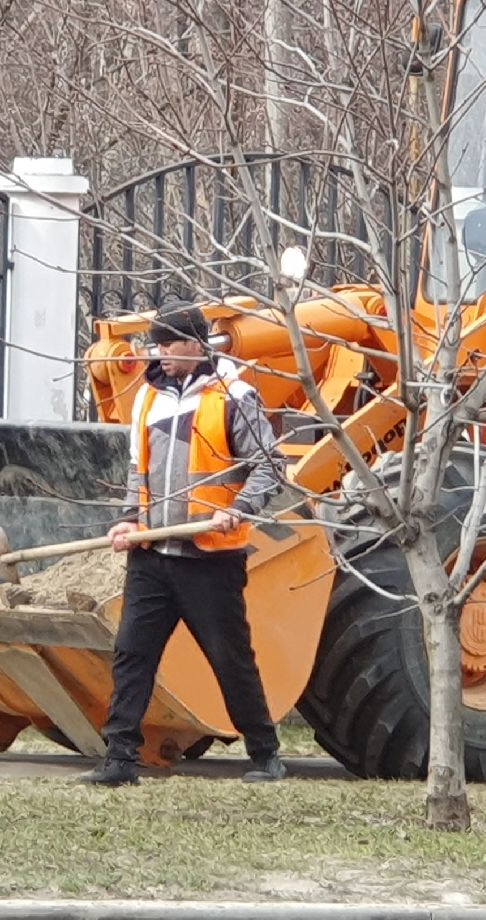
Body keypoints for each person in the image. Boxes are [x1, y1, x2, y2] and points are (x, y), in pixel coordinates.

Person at [78, 304, 289, 787]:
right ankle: (120, 759)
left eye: (169, 346)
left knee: (229, 658)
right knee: (132, 652)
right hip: (152, 557)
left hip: (210, 559)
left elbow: (270, 465)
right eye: (157, 346)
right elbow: (138, 472)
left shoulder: (235, 396)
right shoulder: (148, 400)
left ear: (196, 345)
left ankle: (265, 753)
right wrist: (129, 519)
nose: (161, 355)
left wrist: (239, 508)